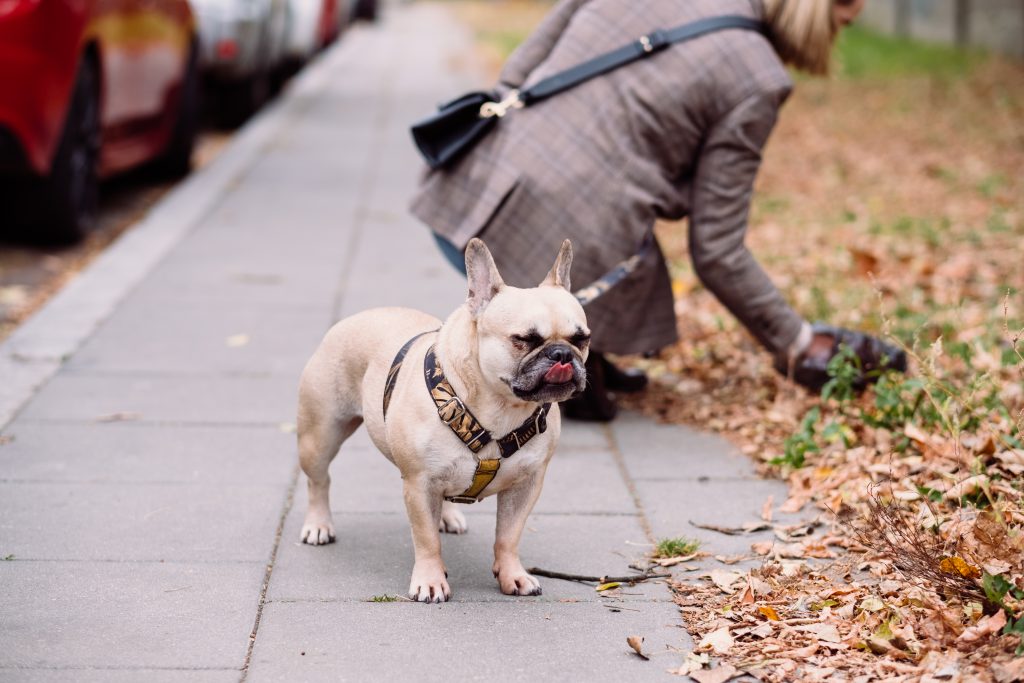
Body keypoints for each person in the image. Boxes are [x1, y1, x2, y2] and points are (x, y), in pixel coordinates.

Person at [411, 0, 906, 421]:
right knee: (627, 237)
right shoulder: (759, 76)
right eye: (843, 18)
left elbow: (520, 71)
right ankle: (567, 361)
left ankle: (585, 350)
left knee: (625, 222)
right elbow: (717, 249)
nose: (841, 30)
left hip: (466, 190)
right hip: (562, 246)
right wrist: (797, 342)